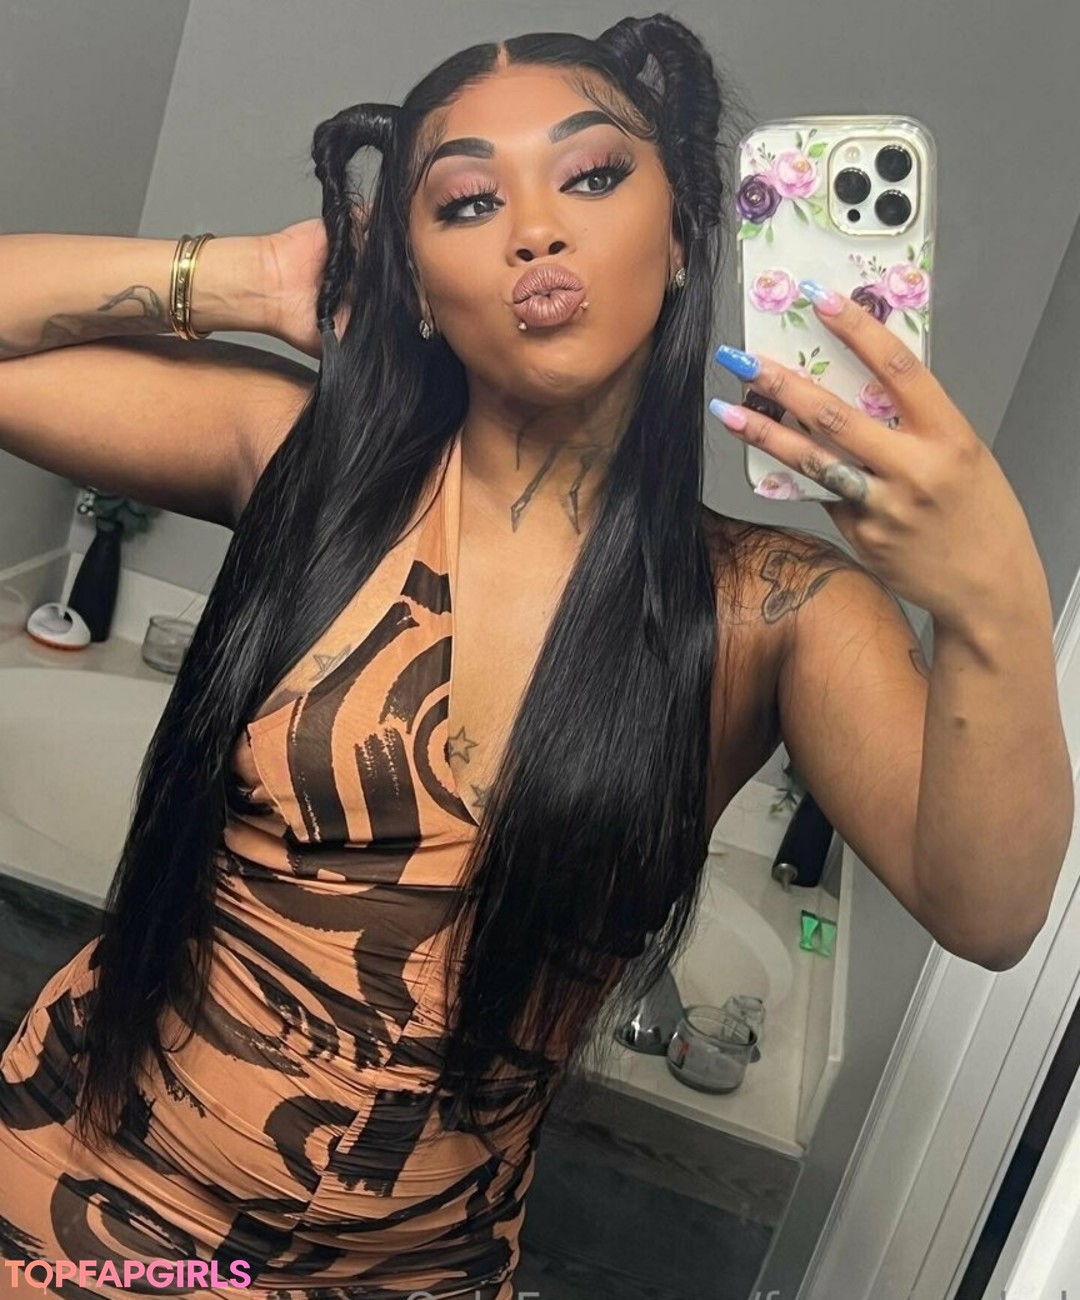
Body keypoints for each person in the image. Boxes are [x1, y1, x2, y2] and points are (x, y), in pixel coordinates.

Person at [0, 12, 1071, 1299]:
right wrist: (253, 279)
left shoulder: (775, 608)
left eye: (594, 176)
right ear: (418, 284)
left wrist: (992, 601)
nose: (534, 230)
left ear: (683, 240)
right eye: (467, 202)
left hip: (414, 1273)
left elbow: (991, 913)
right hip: (77, 1195)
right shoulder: (304, 460)